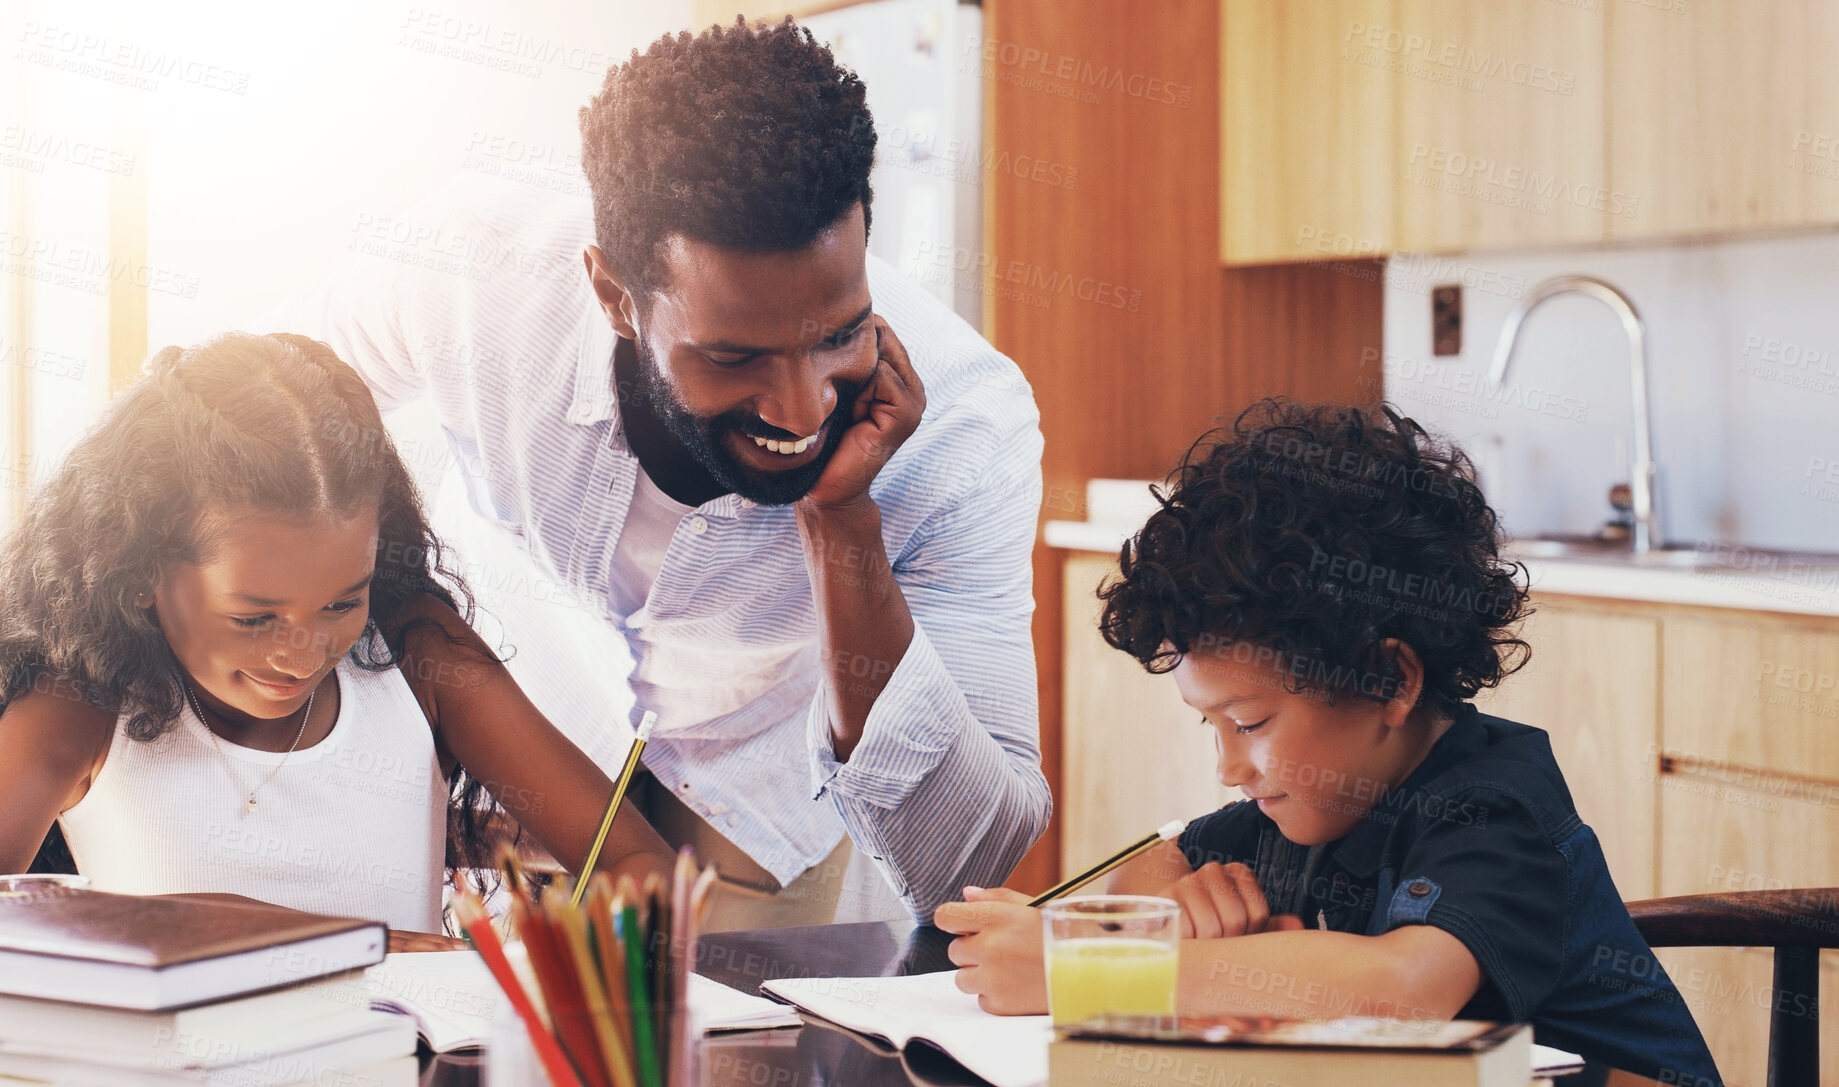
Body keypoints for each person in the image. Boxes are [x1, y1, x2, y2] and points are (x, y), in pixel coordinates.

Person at [274, 17, 1049, 925]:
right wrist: (421, 642)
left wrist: (843, 526)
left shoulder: (965, 424)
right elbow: (279, 425)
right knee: (496, 1044)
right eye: (733, 357)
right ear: (615, 296)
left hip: (752, 788)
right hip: (518, 716)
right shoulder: (464, 272)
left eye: (840, 334)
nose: (802, 410)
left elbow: (966, 856)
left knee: (721, 1052)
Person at [934, 400, 1722, 1085]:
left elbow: (1399, 989)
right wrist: (1163, 906)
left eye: (1249, 724)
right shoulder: (1312, 802)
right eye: (1209, 727)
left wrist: (1087, 968)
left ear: (1387, 680)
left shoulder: (1493, 806)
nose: (1229, 766)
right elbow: (1164, 858)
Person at [0, 333, 675, 937]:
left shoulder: (417, 654)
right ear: (143, 569)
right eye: (254, 617)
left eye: (340, 603)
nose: (301, 653)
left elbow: (643, 863)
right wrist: (333, 944)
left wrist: (581, 956)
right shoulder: (83, 702)